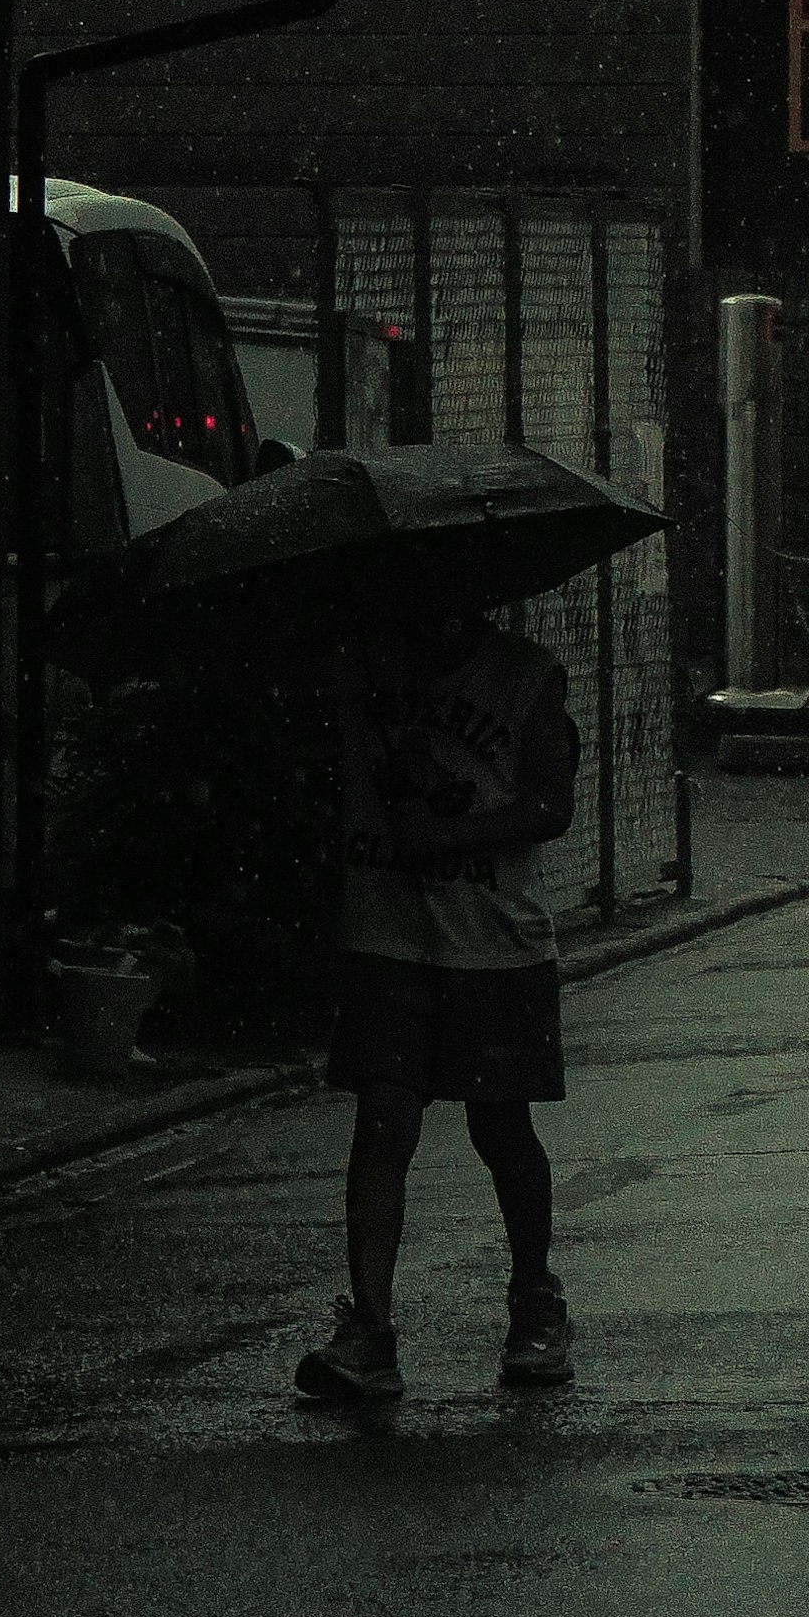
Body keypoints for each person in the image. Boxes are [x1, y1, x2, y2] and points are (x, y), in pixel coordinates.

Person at [293, 573, 580, 1411]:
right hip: (387, 932)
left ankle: (535, 1300)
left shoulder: (527, 674)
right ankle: (371, 1328)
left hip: (494, 939)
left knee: (501, 1123)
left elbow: (551, 804)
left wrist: (452, 833)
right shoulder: (355, 669)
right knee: (384, 1117)